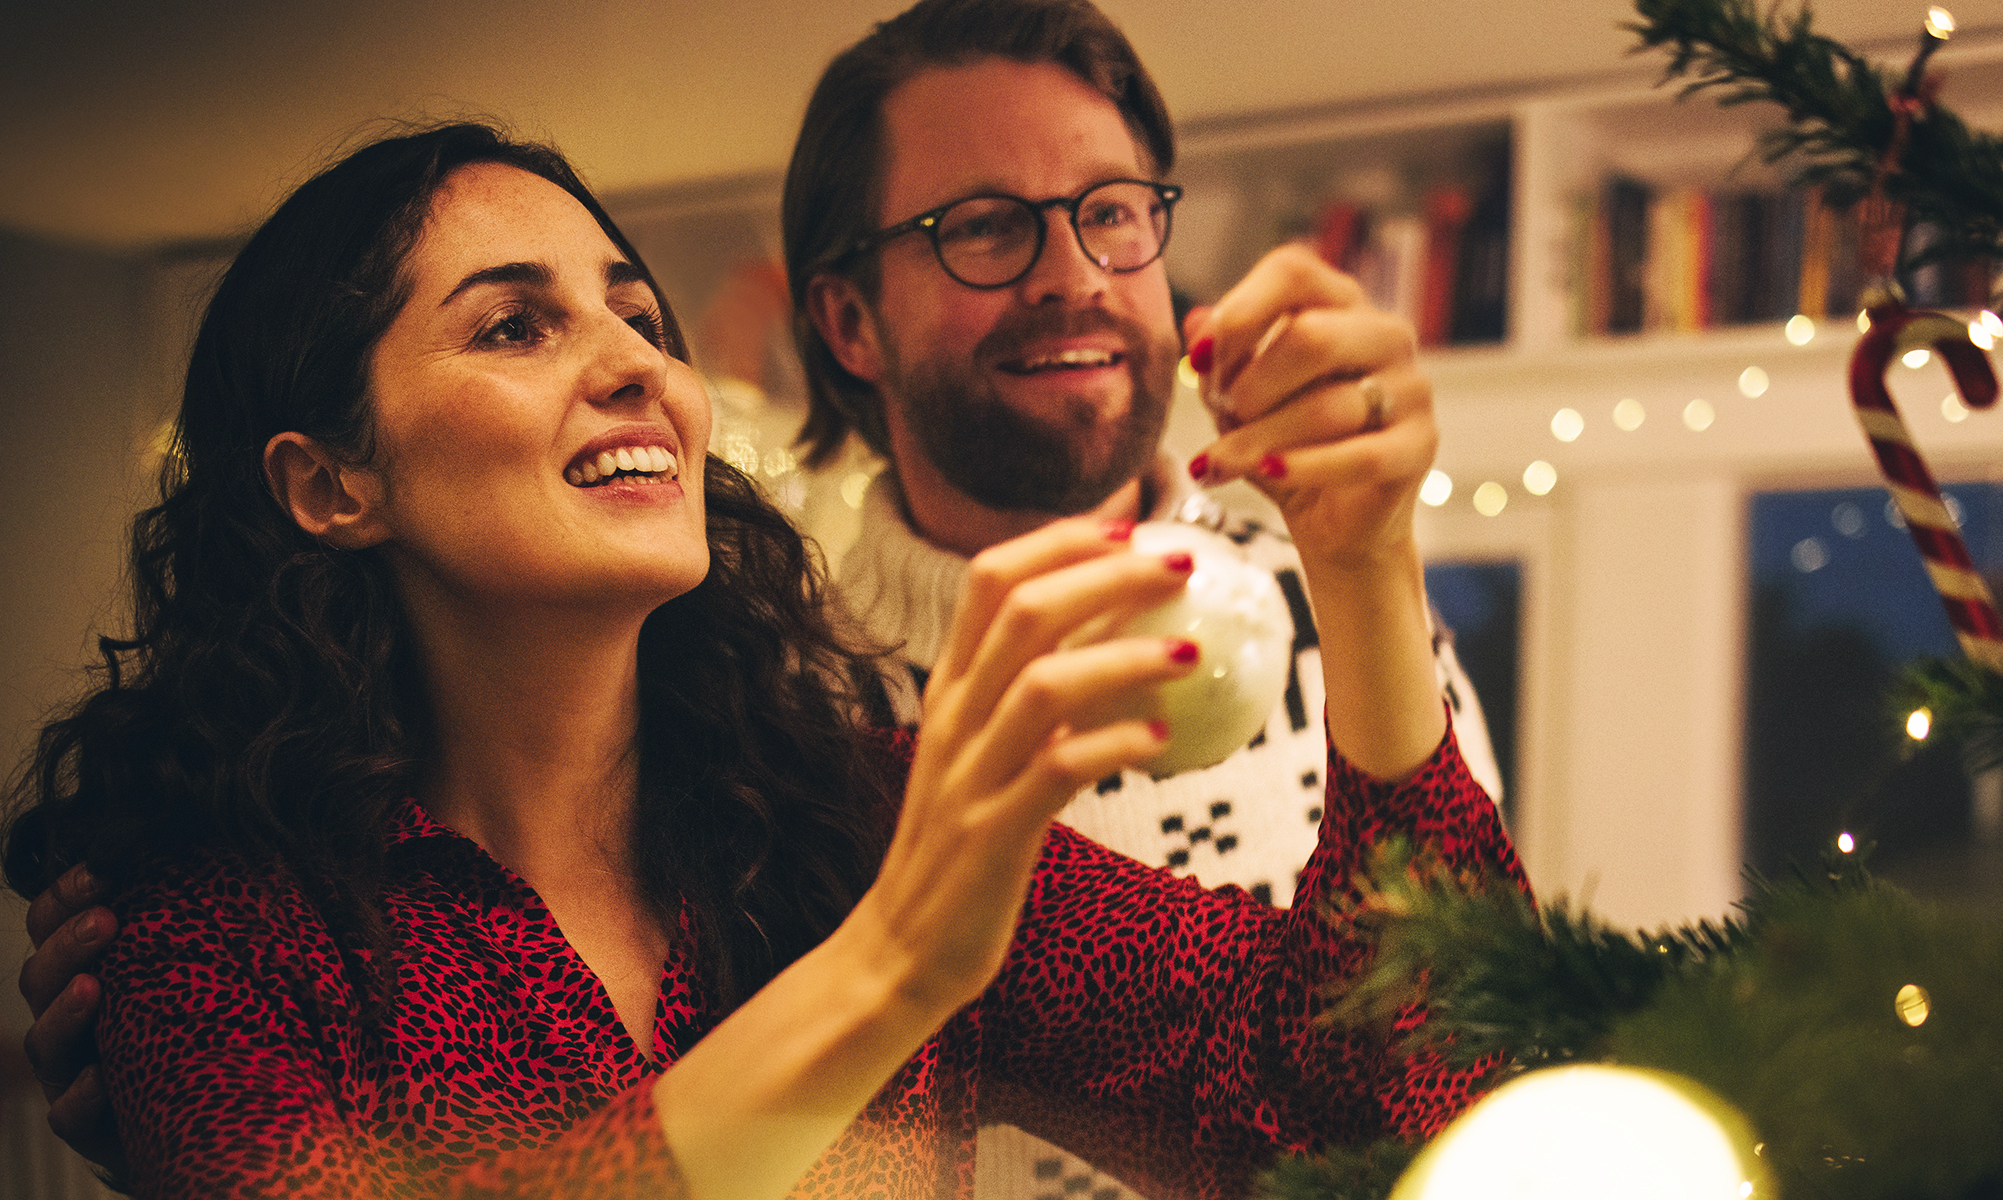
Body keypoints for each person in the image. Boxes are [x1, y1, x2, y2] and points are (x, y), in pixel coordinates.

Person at [2, 120, 1519, 1199]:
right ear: (333, 484)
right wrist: (893, 970)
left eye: (637, 313)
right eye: (515, 328)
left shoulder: (842, 818)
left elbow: (1378, 1117)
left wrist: (1364, 558)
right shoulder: (214, 931)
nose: (637, 369)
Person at [773, 5, 1505, 1193]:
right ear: (850, 320)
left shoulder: (1344, 616)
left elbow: (1459, 1048)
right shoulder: (776, 714)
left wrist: (1371, 566)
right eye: (984, 229)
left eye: (1110, 213)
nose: (1073, 279)